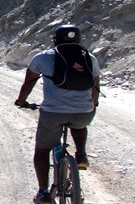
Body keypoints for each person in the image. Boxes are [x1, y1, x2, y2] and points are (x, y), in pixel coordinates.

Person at [14, 24, 101, 204]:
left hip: (53, 113)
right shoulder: (89, 58)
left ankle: (43, 192)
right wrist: (92, 105)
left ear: (55, 39)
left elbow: (29, 82)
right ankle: (81, 155)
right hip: (84, 113)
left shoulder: (43, 57)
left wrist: (21, 101)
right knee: (79, 123)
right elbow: (95, 86)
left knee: (42, 149)